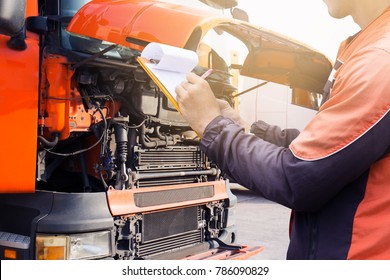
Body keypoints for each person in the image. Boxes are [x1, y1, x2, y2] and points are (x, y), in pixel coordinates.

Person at [175, 0, 390, 259]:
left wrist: (211, 125)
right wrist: (248, 128)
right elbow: (329, 150)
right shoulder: (369, 44)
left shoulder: (379, 59)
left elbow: (299, 177)